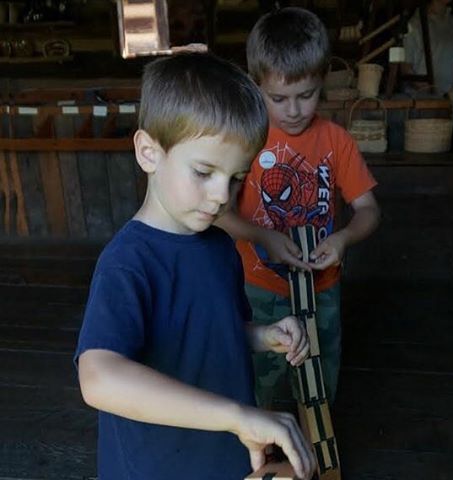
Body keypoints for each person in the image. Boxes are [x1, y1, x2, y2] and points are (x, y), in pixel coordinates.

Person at [74, 52, 316, 480]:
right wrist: (237, 415)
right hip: (157, 467)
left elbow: (209, 333)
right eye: (204, 172)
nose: (222, 195)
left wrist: (264, 336)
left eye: (236, 177)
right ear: (149, 152)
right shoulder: (129, 263)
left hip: (226, 457)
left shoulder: (221, 248)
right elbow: (98, 378)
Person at [216, 7, 380, 408]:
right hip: (259, 289)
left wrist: (343, 238)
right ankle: (267, 457)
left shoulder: (336, 141)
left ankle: (313, 457)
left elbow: (369, 210)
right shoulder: (246, 140)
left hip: (322, 288)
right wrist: (262, 236)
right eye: (279, 98)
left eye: (306, 96)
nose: (293, 110)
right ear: (256, 87)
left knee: (319, 385)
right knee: (262, 385)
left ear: (322, 81)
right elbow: (219, 213)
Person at [402, 0, 453, 96]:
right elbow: (405, 67)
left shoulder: (451, 21)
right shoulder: (414, 24)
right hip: (420, 100)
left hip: (447, 98)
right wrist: (427, 89)